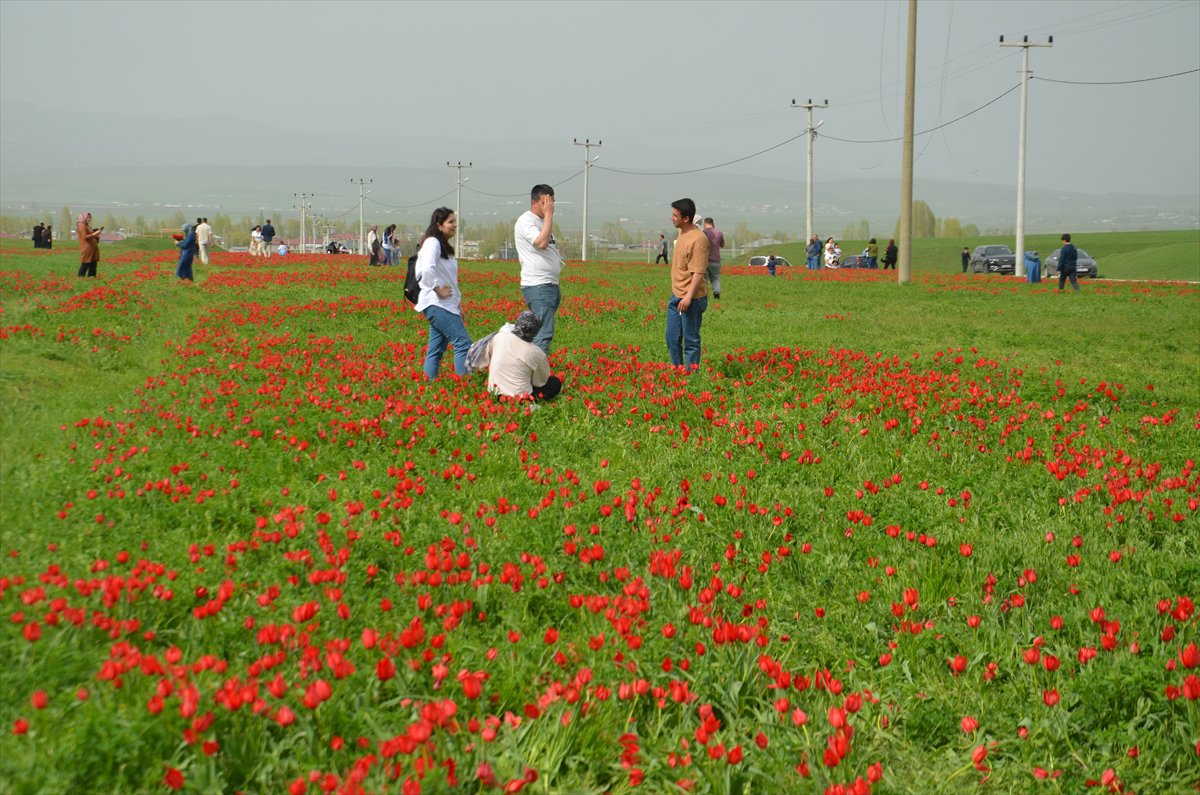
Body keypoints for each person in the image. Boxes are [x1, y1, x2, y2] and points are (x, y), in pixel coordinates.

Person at [414, 207, 472, 380]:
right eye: (451, 222)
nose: (455, 225)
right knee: (463, 344)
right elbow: (426, 269)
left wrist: (458, 305)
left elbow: (449, 280)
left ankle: (429, 386)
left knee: (436, 350)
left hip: (445, 305)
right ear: (439, 225)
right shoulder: (433, 242)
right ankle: (465, 386)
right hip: (437, 304)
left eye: (455, 221)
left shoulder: (443, 245)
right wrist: (437, 289)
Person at [514, 184, 564, 353]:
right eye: (545, 202)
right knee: (544, 334)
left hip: (549, 285)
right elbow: (541, 243)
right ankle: (535, 375)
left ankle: (530, 371)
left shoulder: (542, 222)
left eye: (552, 202)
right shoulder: (526, 221)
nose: (550, 206)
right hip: (539, 285)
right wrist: (549, 216)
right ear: (534, 203)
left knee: (538, 332)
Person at [665, 198, 709, 371]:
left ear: (686, 218)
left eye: (675, 215)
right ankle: (678, 370)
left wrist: (688, 297)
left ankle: (691, 377)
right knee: (672, 337)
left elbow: (698, 273)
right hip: (676, 294)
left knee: (690, 340)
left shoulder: (698, 239)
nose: (672, 218)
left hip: (692, 298)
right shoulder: (681, 232)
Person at [486, 311, 563, 400]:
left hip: (494, 394)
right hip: (520, 399)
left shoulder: (499, 337)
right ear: (536, 331)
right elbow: (539, 382)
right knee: (555, 383)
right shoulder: (536, 352)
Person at [702, 217, 725, 299]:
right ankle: (716, 292)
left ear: (705, 223)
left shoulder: (703, 233)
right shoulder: (719, 233)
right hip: (716, 260)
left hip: (705, 260)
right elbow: (722, 245)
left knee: (704, 279)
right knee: (716, 278)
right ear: (712, 223)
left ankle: (704, 295)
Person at [76, 212, 101, 278]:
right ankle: (80, 277)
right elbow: (84, 237)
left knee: (93, 263)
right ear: (83, 217)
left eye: (90, 217)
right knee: (86, 262)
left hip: (92, 247)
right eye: (87, 217)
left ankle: (92, 277)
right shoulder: (82, 225)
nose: (89, 219)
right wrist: (94, 234)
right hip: (87, 247)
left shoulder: (86, 225)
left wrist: (96, 234)